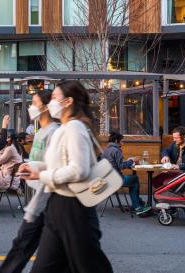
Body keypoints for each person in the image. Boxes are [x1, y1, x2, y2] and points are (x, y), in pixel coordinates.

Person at [18, 80, 113, 273]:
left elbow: (79, 170)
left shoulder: (74, 128)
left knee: (89, 267)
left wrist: (42, 174)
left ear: (68, 101)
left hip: (73, 208)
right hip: (58, 206)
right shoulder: (65, 127)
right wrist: (35, 167)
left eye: (54, 97)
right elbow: (60, 164)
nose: (50, 102)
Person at [0, 90, 59, 273]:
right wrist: (28, 167)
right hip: (39, 199)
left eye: (34, 102)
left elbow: (56, 167)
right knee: (25, 247)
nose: (31, 107)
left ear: (46, 107)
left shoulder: (54, 133)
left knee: (23, 246)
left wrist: (36, 170)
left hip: (48, 200)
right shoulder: (39, 133)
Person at [101, 131, 149, 215]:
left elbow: (115, 164)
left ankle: (138, 202)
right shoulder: (116, 150)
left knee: (132, 179)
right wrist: (131, 160)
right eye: (121, 141)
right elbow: (122, 166)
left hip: (107, 180)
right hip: (116, 180)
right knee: (134, 179)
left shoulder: (105, 150)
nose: (122, 143)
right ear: (116, 141)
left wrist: (128, 161)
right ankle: (137, 206)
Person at [0, 132, 23, 198]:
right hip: (14, 179)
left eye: (7, 138)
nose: (6, 140)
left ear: (10, 139)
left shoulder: (10, 149)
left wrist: (0, 149)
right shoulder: (18, 147)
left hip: (6, 179)